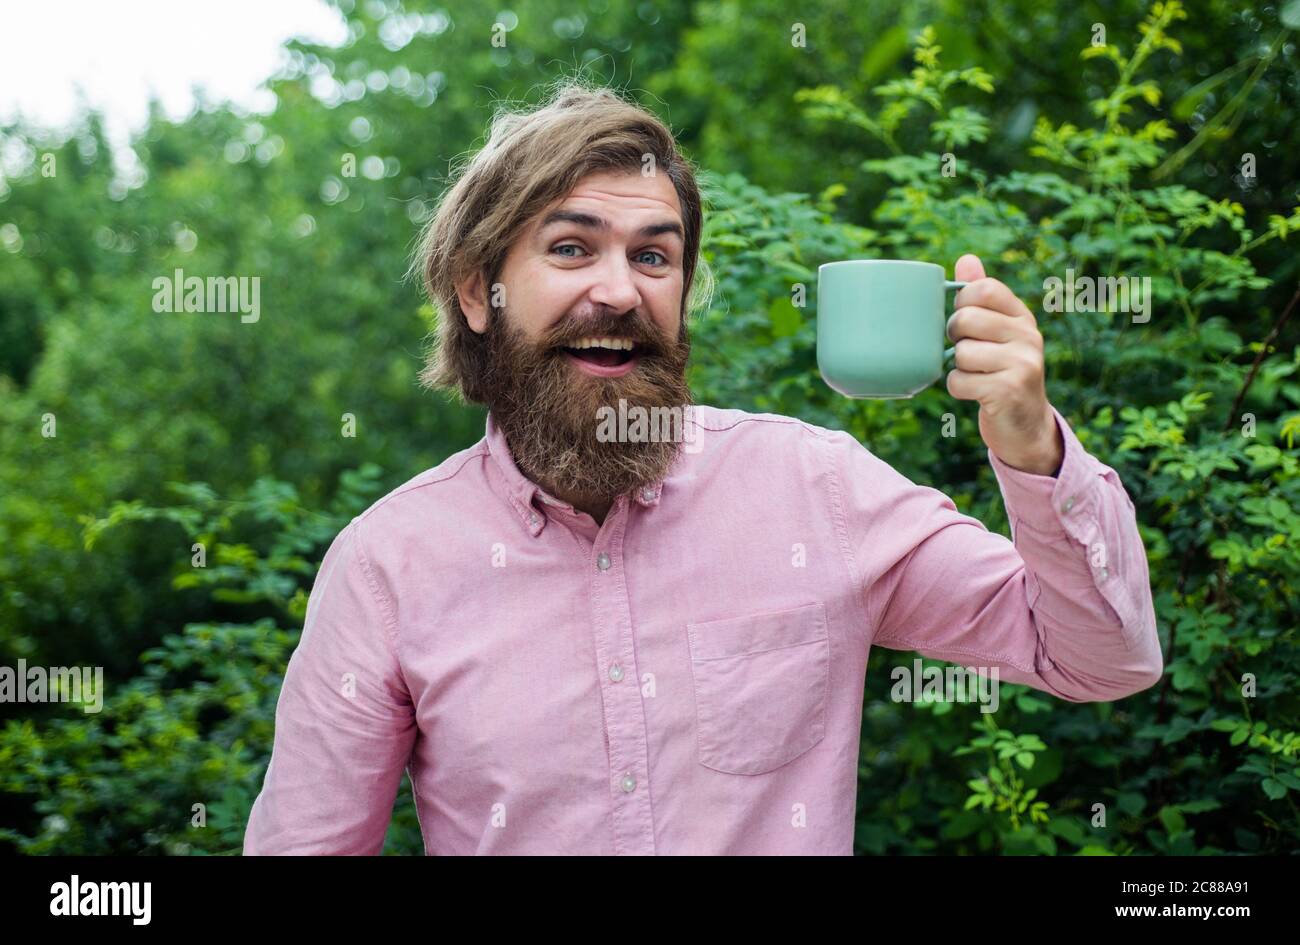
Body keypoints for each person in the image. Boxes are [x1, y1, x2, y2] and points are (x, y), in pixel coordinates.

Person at [243, 81, 1162, 856]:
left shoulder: (814, 489)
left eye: (654, 255)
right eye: (571, 248)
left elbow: (1101, 658)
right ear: (478, 291)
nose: (619, 290)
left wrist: (1032, 446)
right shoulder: (387, 566)